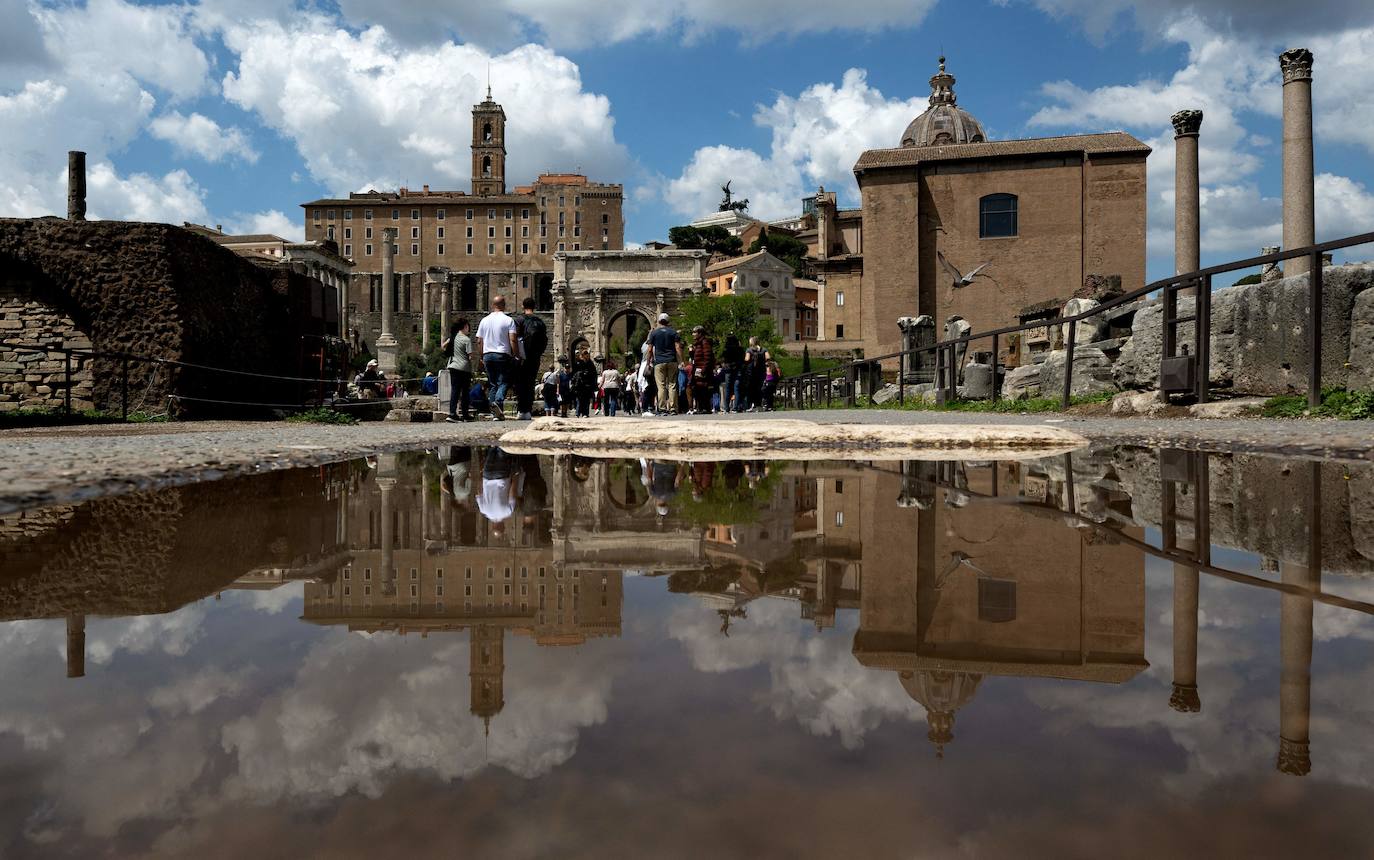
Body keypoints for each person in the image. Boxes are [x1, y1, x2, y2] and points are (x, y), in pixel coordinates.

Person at [474, 295, 519, 420]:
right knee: (504, 381)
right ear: (504, 305)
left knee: (493, 384)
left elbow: (479, 341)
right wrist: (516, 355)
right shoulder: (508, 320)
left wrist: (482, 356)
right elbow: (513, 340)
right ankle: (498, 402)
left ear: (493, 305)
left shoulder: (484, 320)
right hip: (502, 354)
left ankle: (496, 414)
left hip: (488, 354)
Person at [515, 297, 548, 420]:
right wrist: (539, 353)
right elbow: (544, 340)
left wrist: (516, 354)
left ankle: (521, 410)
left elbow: (515, 338)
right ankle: (527, 410)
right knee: (530, 383)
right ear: (534, 307)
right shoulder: (540, 322)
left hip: (522, 357)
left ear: (523, 306)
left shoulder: (519, 320)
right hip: (535, 357)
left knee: (520, 383)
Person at [646, 312, 683, 416]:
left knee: (661, 386)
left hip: (659, 362)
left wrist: (648, 362)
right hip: (672, 361)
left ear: (658, 321)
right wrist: (681, 361)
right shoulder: (673, 333)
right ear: (668, 322)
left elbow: (649, 350)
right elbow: (677, 347)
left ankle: (662, 408)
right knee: (672, 385)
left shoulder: (654, 333)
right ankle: (673, 408)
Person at [442, 318, 474, 422]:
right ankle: (465, 414)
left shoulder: (453, 337)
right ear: (465, 326)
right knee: (465, 392)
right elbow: (470, 356)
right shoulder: (466, 340)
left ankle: (452, 413)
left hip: (453, 366)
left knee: (455, 391)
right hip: (464, 368)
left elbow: (443, 346)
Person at [688, 325, 715, 415]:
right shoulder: (698, 344)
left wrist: (704, 369)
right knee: (698, 389)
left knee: (703, 389)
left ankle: (705, 408)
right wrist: (691, 352)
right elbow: (696, 358)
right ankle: (701, 408)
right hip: (698, 369)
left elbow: (708, 356)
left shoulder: (704, 342)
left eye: (694, 332)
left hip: (702, 369)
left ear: (700, 333)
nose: (693, 334)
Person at [571, 347, 598, 418]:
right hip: (580, 384)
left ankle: (583, 413)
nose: (586, 356)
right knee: (581, 400)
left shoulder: (589, 363)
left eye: (586, 354)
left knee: (585, 400)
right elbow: (575, 373)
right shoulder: (580, 362)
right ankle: (580, 413)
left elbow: (593, 374)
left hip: (586, 384)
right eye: (585, 354)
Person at [721, 334, 745, 412]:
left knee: (727, 389)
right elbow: (743, 359)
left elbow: (724, 359)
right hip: (737, 369)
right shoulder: (739, 349)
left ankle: (726, 407)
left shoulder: (726, 349)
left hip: (728, 369)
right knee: (736, 388)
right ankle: (736, 407)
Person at [744, 336, 768, 412]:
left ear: (751, 342)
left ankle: (751, 405)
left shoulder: (749, 350)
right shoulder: (763, 349)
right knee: (759, 388)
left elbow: (747, 359)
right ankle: (759, 405)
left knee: (751, 389)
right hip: (761, 372)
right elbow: (768, 357)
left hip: (751, 372)